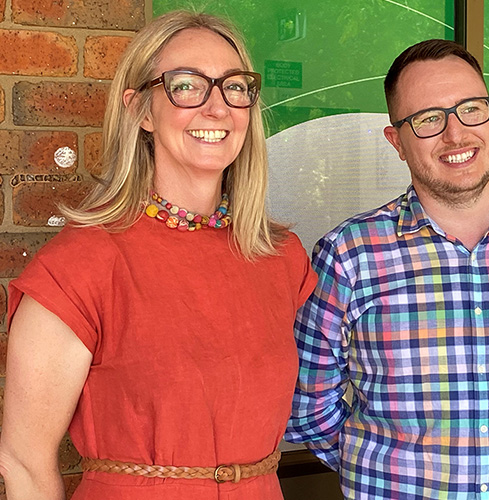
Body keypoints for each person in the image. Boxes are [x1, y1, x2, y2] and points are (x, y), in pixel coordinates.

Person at [0, 11, 315, 500]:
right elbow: (23, 461)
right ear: (140, 111)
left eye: (234, 87)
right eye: (187, 86)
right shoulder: (80, 266)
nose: (217, 109)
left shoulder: (281, 258)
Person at [285, 39, 489, 499]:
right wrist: (388, 472)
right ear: (396, 141)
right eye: (428, 119)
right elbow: (311, 409)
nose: (455, 134)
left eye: (470, 108)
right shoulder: (348, 255)